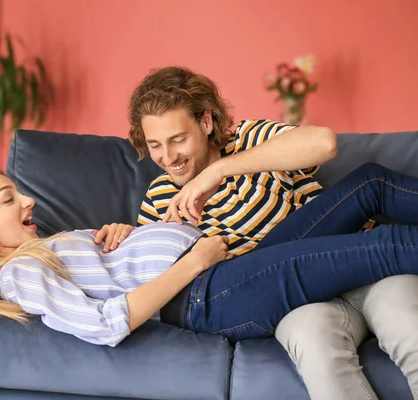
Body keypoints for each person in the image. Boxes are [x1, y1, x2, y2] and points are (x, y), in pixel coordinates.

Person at [126, 65, 418, 400]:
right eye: (155, 145)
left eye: (178, 139)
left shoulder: (249, 140)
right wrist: (123, 237)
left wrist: (220, 170)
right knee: (315, 344)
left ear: (206, 122)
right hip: (294, 302)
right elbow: (153, 282)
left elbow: (323, 143)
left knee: (407, 324)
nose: (168, 157)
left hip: (366, 270)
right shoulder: (160, 198)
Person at [0, 165, 418, 350]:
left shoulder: (39, 249)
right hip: (210, 293)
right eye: (7, 199)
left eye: (18, 192)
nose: (27, 202)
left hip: (222, 270)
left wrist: (133, 235)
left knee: (368, 184)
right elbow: (104, 324)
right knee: (383, 248)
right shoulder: (19, 274)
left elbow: (113, 273)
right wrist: (194, 261)